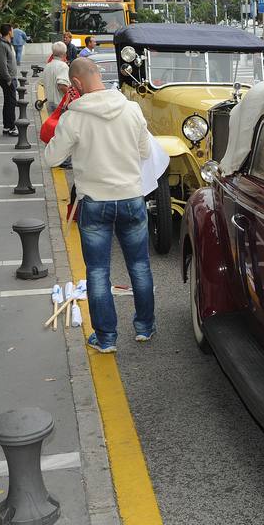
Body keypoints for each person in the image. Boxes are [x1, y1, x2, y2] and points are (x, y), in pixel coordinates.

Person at [44, 58, 156, 352]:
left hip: (94, 203)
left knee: (97, 272)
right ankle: (144, 327)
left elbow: (51, 158)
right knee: (140, 265)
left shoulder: (74, 117)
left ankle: (106, 338)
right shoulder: (132, 109)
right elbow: (145, 151)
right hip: (132, 198)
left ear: (76, 84)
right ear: (98, 75)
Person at [0, 23, 18, 135]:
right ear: (9, 32)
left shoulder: (6, 44)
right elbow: (2, 64)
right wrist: (8, 79)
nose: (13, 32)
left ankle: (7, 126)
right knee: (11, 102)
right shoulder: (2, 45)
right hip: (7, 79)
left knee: (8, 102)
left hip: (9, 77)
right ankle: (11, 127)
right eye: (12, 30)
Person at [41, 41, 70, 111]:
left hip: (50, 102)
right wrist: (70, 96)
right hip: (60, 104)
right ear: (64, 54)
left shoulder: (48, 65)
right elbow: (62, 85)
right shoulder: (63, 66)